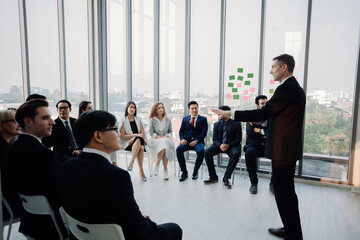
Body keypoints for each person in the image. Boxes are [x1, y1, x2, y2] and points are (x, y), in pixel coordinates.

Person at [212, 54, 304, 239]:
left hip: (284, 151)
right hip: (286, 150)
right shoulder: (293, 89)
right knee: (285, 191)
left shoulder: (286, 89)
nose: (271, 71)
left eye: (273, 67)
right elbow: (274, 118)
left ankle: (293, 233)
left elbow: (263, 112)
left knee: (283, 192)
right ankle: (290, 229)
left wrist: (231, 113)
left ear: (284, 67)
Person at [60, 110, 182, 240]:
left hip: (82, 234)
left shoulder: (68, 166)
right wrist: (143, 220)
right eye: (114, 129)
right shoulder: (117, 176)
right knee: (174, 228)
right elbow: (137, 228)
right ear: (98, 136)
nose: (118, 134)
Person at [4, 99, 67, 239]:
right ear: (28, 122)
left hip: (30, 222)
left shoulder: (13, 147)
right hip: (52, 228)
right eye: (45, 118)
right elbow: (58, 195)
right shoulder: (41, 154)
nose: (53, 122)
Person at [203, 105, 242, 189]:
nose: (218, 114)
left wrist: (228, 145)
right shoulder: (216, 124)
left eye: (220, 113)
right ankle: (213, 177)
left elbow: (238, 139)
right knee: (207, 152)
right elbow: (215, 139)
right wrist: (220, 145)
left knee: (235, 154)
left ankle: (226, 178)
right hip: (219, 145)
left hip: (232, 146)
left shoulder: (237, 124)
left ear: (227, 113)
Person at [244, 95, 274, 194]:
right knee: (249, 153)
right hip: (254, 146)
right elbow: (250, 132)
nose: (265, 105)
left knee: (278, 154)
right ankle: (254, 183)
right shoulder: (252, 116)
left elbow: (273, 132)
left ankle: (273, 183)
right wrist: (265, 132)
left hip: (268, 146)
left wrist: (259, 131)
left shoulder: (272, 117)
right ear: (257, 105)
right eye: (262, 103)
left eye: (266, 103)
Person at [177, 101, 208, 181]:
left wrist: (197, 141)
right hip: (187, 141)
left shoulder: (203, 119)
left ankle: (195, 171)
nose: (194, 110)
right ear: (189, 109)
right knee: (178, 149)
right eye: (192, 108)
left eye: (196, 108)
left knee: (201, 151)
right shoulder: (185, 119)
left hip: (198, 142)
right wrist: (182, 139)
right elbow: (181, 131)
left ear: (198, 108)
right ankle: (184, 172)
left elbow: (204, 133)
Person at [0, 110, 22, 220]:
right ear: (1, 125)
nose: (18, 124)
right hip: (9, 205)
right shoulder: (5, 151)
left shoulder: (7, 146)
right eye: (13, 121)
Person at [119, 101, 147, 181]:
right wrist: (134, 136)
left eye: (134, 107)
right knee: (141, 148)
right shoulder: (123, 120)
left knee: (138, 140)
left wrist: (135, 137)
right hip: (128, 144)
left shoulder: (139, 119)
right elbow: (123, 136)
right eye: (131, 107)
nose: (132, 109)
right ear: (127, 108)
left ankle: (131, 162)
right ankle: (141, 171)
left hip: (138, 141)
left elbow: (142, 134)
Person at [148, 102, 175, 180]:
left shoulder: (167, 119)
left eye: (162, 108)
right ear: (155, 110)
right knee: (164, 144)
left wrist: (168, 135)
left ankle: (157, 165)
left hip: (166, 139)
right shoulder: (152, 120)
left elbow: (170, 131)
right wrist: (159, 137)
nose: (161, 109)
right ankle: (165, 171)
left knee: (165, 144)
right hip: (155, 140)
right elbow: (151, 132)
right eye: (159, 108)